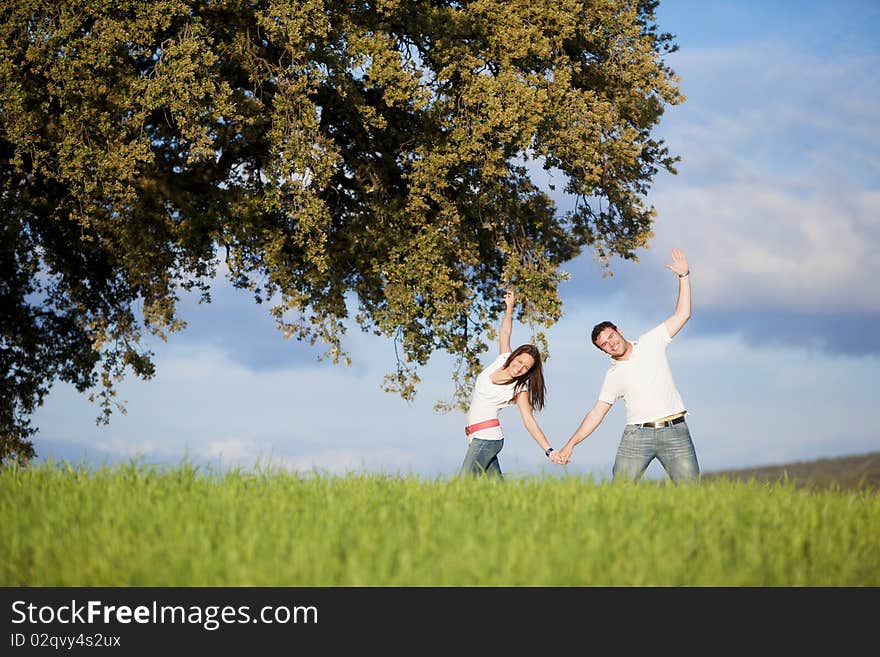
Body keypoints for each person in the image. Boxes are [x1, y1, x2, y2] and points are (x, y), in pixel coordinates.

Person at [551, 248, 700, 483]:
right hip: (637, 435)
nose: (611, 344)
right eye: (604, 345)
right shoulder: (613, 375)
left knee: (691, 491)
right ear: (602, 351)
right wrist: (570, 445)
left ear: (618, 331)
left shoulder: (651, 342)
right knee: (620, 491)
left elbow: (683, 314)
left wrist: (684, 276)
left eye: (611, 336)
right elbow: (596, 414)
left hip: (675, 431)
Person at [459, 289, 556, 478]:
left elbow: (529, 421)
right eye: (520, 361)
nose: (520, 368)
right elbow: (505, 331)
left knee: (463, 482)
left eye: (526, 368)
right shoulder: (502, 359)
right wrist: (510, 308)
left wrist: (549, 450)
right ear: (514, 356)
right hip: (475, 437)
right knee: (497, 490)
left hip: (487, 439)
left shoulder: (519, 389)